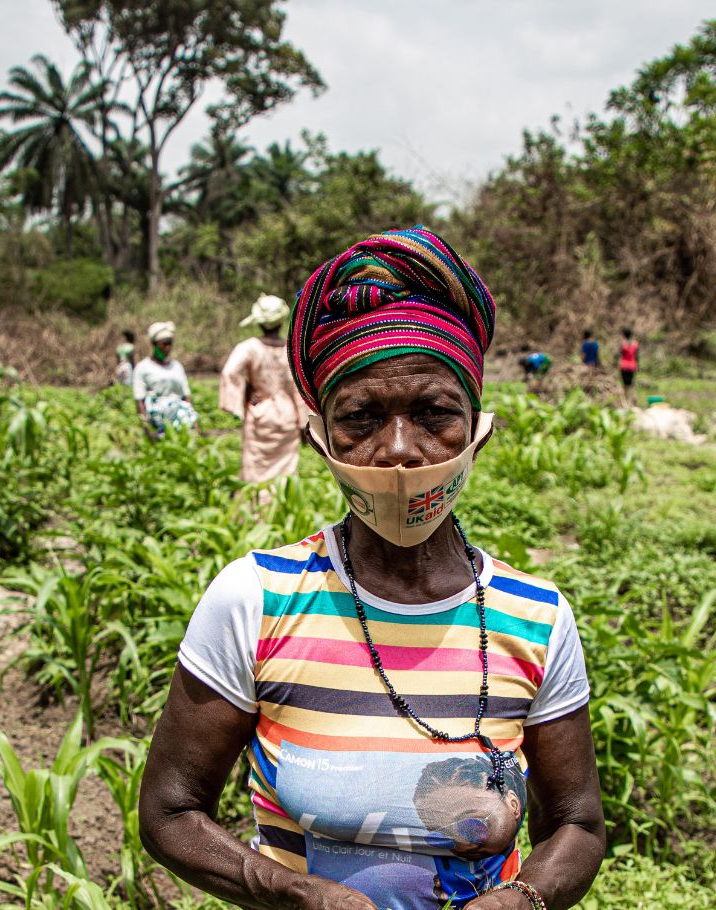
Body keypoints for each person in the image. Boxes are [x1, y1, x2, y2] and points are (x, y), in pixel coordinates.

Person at [140, 227, 604, 910]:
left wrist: (526, 898)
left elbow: (578, 823)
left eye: (433, 413)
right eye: (360, 416)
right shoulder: (257, 599)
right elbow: (170, 812)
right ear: (320, 437)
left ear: (479, 427)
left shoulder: (536, 619)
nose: (397, 452)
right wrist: (292, 891)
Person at [220, 294, 309, 483]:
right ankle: (280, 509)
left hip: (261, 415)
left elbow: (230, 372)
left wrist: (243, 395)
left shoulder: (250, 347)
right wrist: (304, 424)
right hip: (288, 417)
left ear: (259, 323)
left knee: (255, 472)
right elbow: (299, 389)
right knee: (285, 473)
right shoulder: (291, 349)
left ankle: (256, 510)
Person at [132, 321, 198, 437]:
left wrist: (194, 423)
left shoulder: (177, 367)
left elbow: (185, 397)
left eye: (170, 343)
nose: (168, 347)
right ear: (155, 345)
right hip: (157, 421)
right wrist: (147, 428)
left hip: (180, 420)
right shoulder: (143, 368)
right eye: (164, 343)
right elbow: (139, 400)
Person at [618, 327, 639, 404]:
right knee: (631, 383)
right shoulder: (635, 344)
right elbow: (637, 356)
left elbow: (620, 355)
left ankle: (626, 401)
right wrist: (638, 365)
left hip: (624, 365)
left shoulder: (623, 344)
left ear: (624, 335)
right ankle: (632, 399)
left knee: (625, 384)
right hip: (632, 365)